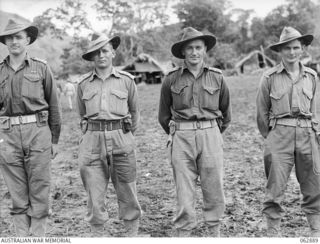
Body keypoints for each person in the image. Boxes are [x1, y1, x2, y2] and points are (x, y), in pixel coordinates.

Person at [158, 27, 231, 237]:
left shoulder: (217, 78)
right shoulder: (171, 79)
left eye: (198, 47)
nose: (194, 52)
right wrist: (180, 132)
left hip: (211, 135)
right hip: (181, 137)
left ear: (205, 49)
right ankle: (184, 232)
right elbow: (163, 116)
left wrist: (212, 133)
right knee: (183, 187)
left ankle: (214, 230)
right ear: (182, 52)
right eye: (189, 48)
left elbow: (226, 114)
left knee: (214, 185)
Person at [256, 26, 320, 237]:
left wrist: (315, 135)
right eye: (287, 49)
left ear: (302, 49)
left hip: (307, 135)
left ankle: (315, 231)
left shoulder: (312, 76)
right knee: (275, 187)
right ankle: (273, 232)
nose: (291, 52)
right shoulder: (269, 77)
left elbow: (316, 111)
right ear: (280, 51)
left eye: (295, 48)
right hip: (279, 135)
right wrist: (273, 137)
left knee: (313, 185)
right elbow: (262, 113)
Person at [0, 19, 61, 236]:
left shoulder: (41, 68)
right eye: (10, 38)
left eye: (19, 37)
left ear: (27, 40)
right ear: (5, 42)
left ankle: (38, 237)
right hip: (8, 136)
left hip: (38, 132)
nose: (14, 41)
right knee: (16, 192)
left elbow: (54, 105)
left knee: (39, 187)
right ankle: (21, 238)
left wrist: (54, 140)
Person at [77, 33, 141, 237]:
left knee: (128, 192)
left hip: (121, 138)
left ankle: (131, 236)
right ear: (91, 57)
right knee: (94, 197)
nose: (101, 55)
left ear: (113, 52)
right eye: (96, 53)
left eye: (105, 51)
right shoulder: (83, 84)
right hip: (92, 141)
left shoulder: (127, 81)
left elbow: (135, 112)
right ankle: (98, 237)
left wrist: (125, 135)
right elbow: (82, 115)